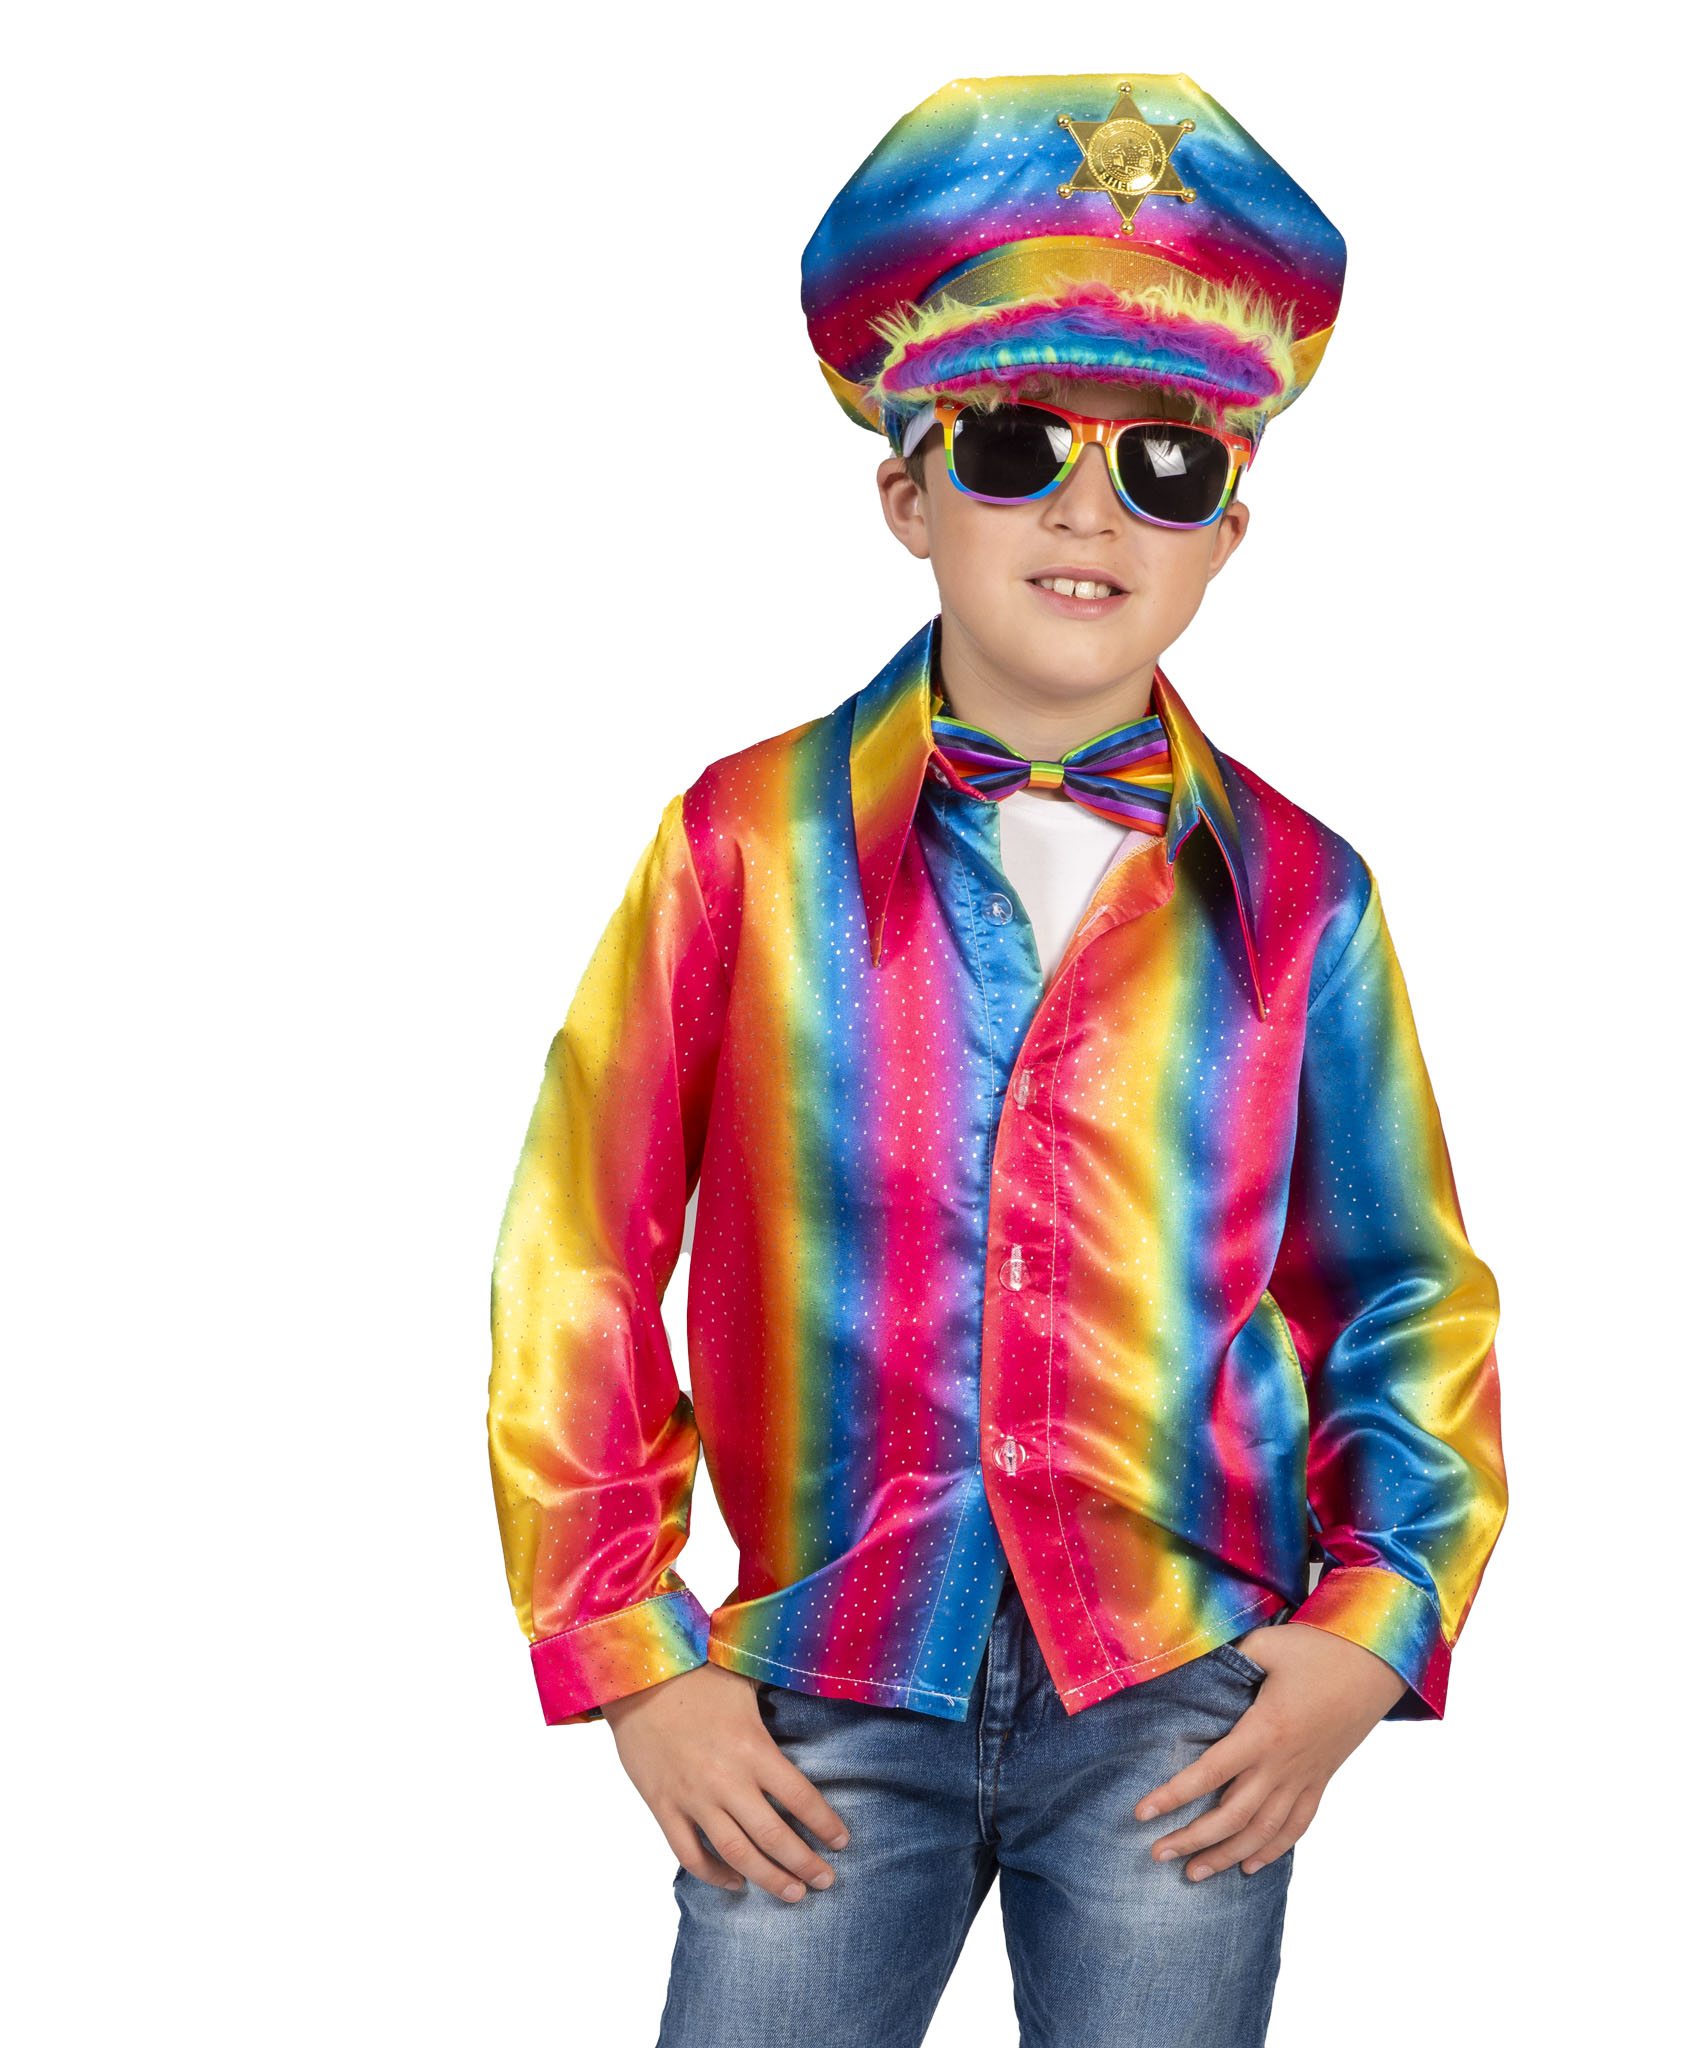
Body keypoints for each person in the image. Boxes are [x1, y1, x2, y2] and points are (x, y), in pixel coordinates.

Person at [487, 71, 1508, 2048]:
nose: (1086, 511)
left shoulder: (1304, 898)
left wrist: (1372, 1630)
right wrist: (632, 1648)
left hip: (1180, 1702)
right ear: (907, 493)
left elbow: (1403, 1291)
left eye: (1167, 466)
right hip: (822, 1693)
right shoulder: (741, 847)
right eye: (1018, 443)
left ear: (1228, 528)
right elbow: (581, 1249)